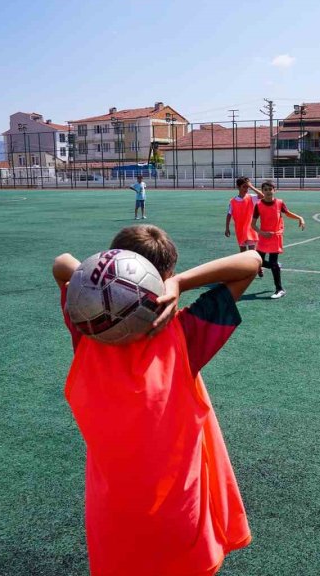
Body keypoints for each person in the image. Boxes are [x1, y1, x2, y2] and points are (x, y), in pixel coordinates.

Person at [53, 224, 260, 576]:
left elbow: (61, 263)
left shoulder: (86, 331)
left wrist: (107, 281)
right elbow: (251, 262)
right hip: (179, 512)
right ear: (161, 277)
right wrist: (179, 284)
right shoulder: (184, 334)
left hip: (113, 515)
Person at [251, 180, 305, 299]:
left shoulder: (279, 203)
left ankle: (279, 289)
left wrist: (300, 217)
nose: (268, 191)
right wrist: (262, 233)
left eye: (270, 189)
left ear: (274, 190)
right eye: (265, 189)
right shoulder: (258, 205)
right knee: (258, 261)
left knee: (273, 262)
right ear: (262, 192)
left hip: (276, 236)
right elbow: (253, 225)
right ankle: (275, 266)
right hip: (264, 237)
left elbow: (288, 213)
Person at [225, 177, 264, 277]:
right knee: (243, 253)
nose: (246, 189)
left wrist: (251, 186)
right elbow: (229, 214)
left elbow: (262, 195)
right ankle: (245, 270)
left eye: (247, 186)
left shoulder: (251, 197)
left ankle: (258, 268)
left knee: (252, 251)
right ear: (238, 187)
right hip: (240, 230)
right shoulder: (233, 201)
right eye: (244, 186)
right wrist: (227, 228)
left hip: (250, 229)